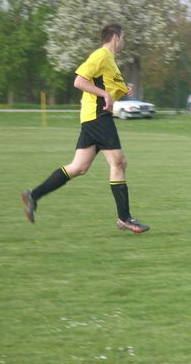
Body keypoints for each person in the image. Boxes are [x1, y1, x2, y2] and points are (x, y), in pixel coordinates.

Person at [21, 23, 149, 233]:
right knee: (119, 161)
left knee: (79, 167)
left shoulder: (111, 62)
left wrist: (122, 90)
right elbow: (79, 81)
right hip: (98, 116)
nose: (124, 41)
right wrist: (105, 95)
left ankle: (32, 196)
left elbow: (105, 86)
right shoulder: (100, 56)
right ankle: (124, 218)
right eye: (123, 37)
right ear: (115, 37)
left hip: (93, 117)